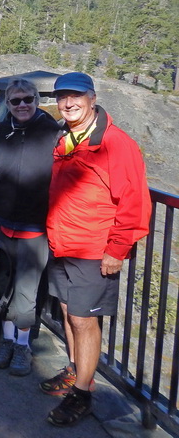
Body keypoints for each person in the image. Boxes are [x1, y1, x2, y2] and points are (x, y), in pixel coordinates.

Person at [41, 72, 149, 426]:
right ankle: (75, 373)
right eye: (62, 97)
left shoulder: (116, 143)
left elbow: (134, 201)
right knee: (69, 313)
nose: (68, 103)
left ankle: (83, 394)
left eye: (75, 97)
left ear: (92, 98)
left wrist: (117, 250)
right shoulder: (67, 137)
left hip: (93, 248)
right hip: (63, 244)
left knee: (84, 320)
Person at [0, 77, 60, 376]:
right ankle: (8, 340)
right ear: (8, 104)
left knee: (26, 291)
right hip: (3, 225)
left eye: (28, 99)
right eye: (16, 101)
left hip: (35, 228)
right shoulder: (4, 130)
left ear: (37, 101)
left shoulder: (52, 132)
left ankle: (22, 346)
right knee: (2, 284)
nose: (22, 105)